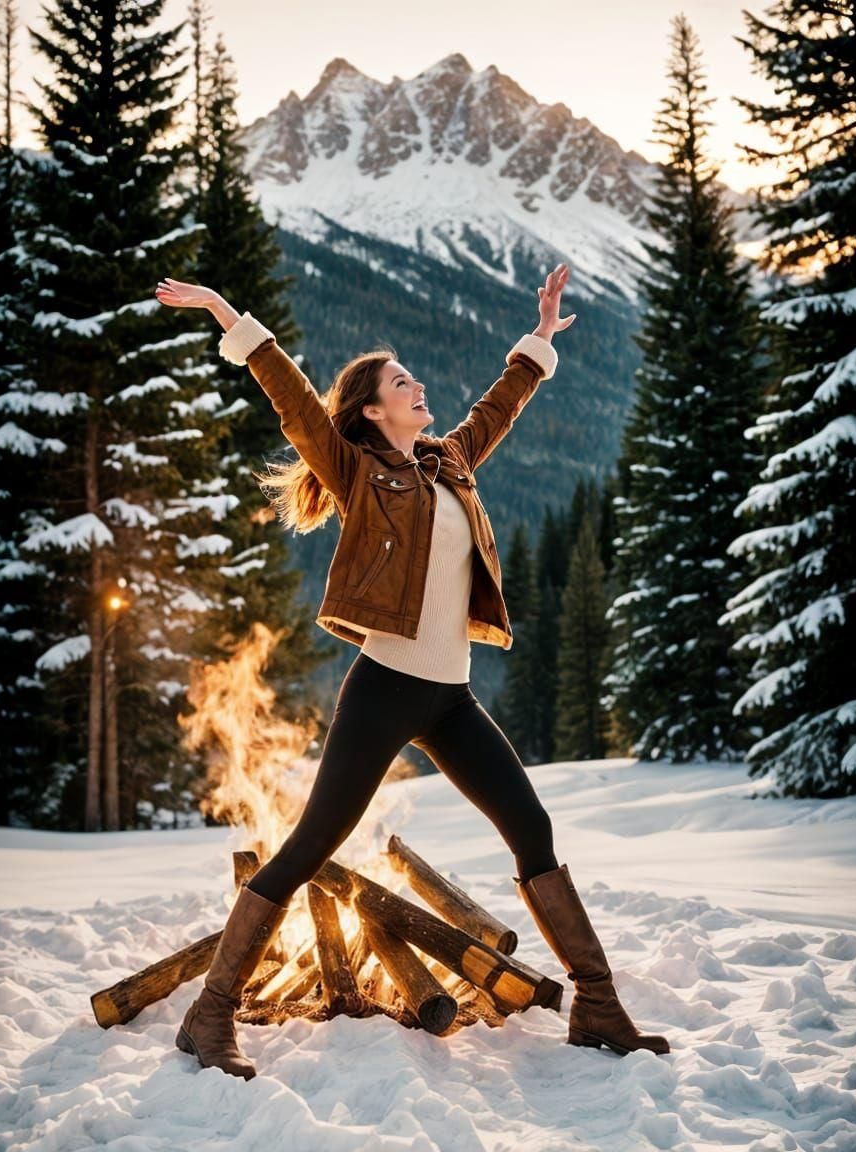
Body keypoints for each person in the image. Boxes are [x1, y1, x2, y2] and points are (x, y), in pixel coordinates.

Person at [154, 264, 670, 1080]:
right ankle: (209, 1013)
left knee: (531, 829)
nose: (418, 385)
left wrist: (540, 336)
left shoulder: (450, 461)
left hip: (451, 698)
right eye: (402, 383)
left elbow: (499, 405)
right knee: (309, 845)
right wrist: (225, 312)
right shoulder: (357, 472)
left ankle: (598, 1006)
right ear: (372, 410)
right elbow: (293, 399)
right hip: (385, 691)